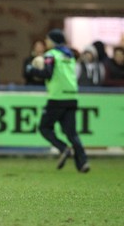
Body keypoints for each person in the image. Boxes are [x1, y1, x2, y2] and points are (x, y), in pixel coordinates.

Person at [26, 28, 90, 173]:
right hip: (72, 96)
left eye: (48, 39)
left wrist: (31, 69)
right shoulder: (69, 55)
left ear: (53, 40)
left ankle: (63, 148)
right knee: (71, 133)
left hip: (57, 97)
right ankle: (83, 162)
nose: (46, 42)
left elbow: (47, 73)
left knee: (44, 127)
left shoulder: (51, 55)